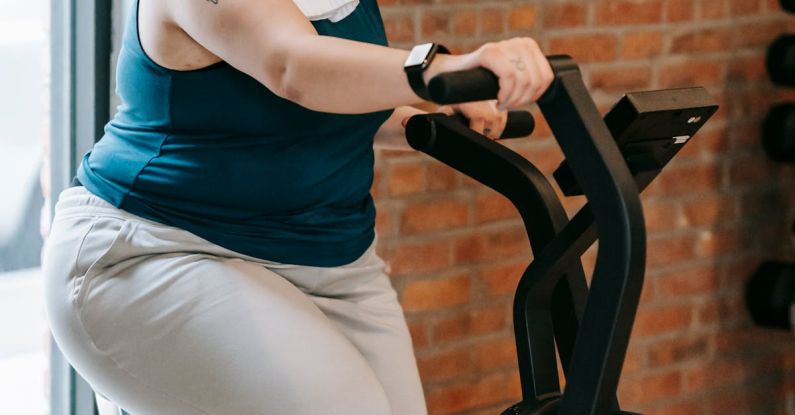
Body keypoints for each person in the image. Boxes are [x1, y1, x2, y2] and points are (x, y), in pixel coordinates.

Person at [42, 0, 553, 413]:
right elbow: (294, 68)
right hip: (155, 250)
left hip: (332, 262)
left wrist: (431, 109)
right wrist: (439, 69)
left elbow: (321, 101)